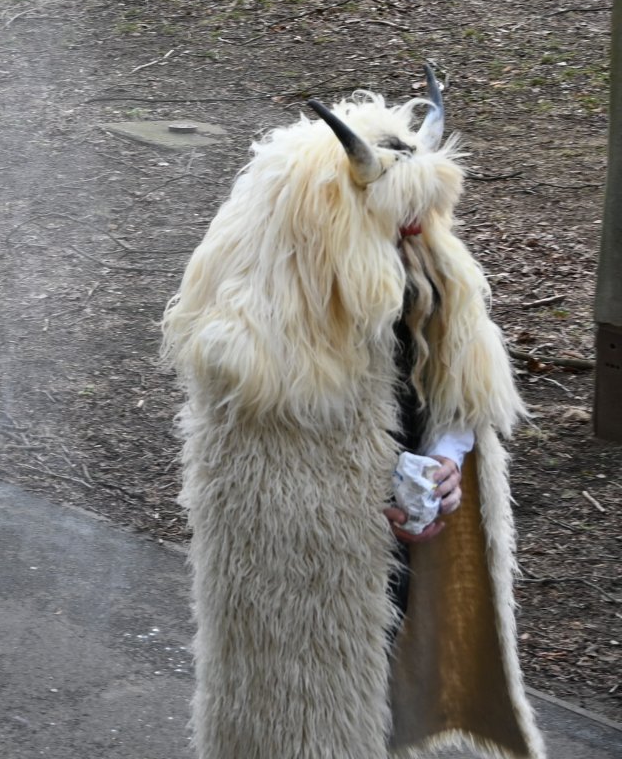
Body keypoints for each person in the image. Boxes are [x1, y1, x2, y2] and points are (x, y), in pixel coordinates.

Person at [163, 76, 543, 759]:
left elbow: (460, 380)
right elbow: (269, 433)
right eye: (396, 227)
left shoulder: (429, 257)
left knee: (401, 676)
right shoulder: (259, 305)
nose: (413, 239)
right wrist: (364, 487)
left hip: (408, 536)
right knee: (302, 708)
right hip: (306, 560)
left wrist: (447, 463)